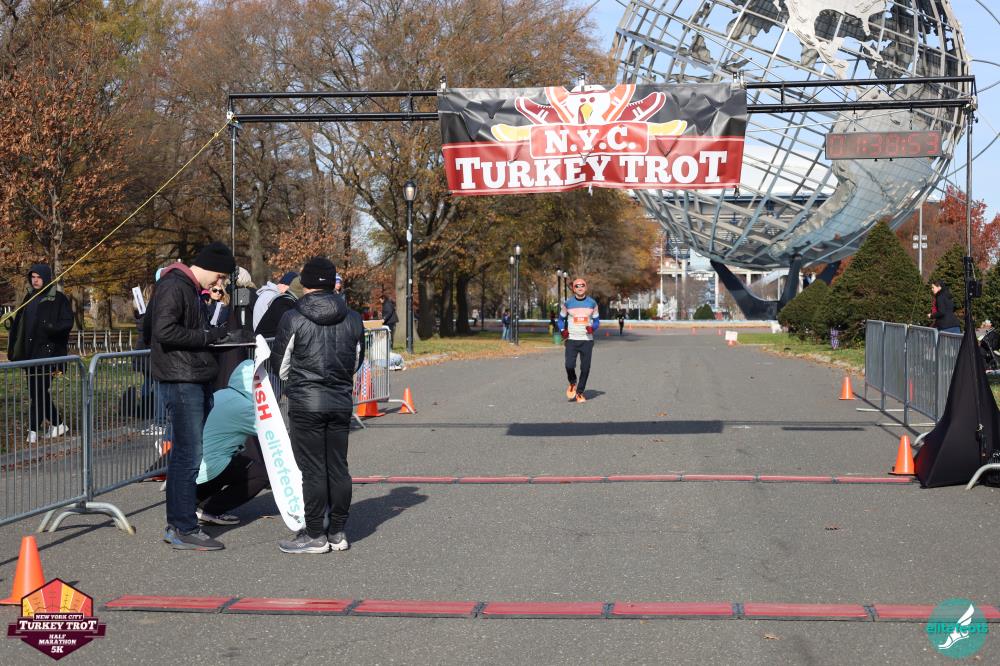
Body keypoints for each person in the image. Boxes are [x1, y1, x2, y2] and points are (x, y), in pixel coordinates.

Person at [272, 256, 365, 554]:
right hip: (339, 400)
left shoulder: (293, 317)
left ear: (306, 283)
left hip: (306, 401)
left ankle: (315, 534)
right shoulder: (353, 318)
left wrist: (298, 382)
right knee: (338, 466)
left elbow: (280, 366)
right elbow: (357, 360)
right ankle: (337, 531)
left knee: (312, 469)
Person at [150, 240, 236, 551]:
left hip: (191, 376)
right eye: (220, 276)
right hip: (182, 379)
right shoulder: (175, 286)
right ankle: (183, 526)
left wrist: (211, 336)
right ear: (210, 268)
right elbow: (163, 330)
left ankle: (180, 524)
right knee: (188, 457)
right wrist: (206, 337)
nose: (220, 283)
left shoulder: (187, 288)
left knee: (187, 456)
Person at [195, 360, 269, 525]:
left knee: (234, 462)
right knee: (260, 474)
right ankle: (210, 509)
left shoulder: (221, 394)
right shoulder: (244, 407)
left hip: (195, 468)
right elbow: (269, 432)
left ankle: (195, 500)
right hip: (211, 467)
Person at [6, 264, 74, 443]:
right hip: (30, 353)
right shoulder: (29, 297)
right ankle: (58, 424)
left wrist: (51, 327)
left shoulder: (58, 299)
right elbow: (22, 323)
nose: (35, 280)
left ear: (46, 278)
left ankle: (33, 430)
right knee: (36, 392)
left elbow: (68, 322)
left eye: (39, 277)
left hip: (50, 355)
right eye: (33, 277)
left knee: (38, 391)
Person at [558, 277, 599, 403]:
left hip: (587, 340)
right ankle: (572, 382)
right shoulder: (568, 303)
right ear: (573, 289)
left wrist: (593, 328)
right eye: (577, 286)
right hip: (572, 339)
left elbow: (596, 321)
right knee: (569, 365)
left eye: (582, 285)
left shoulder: (592, 303)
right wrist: (562, 330)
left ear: (585, 287)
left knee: (585, 368)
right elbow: (560, 320)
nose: (580, 287)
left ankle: (580, 392)